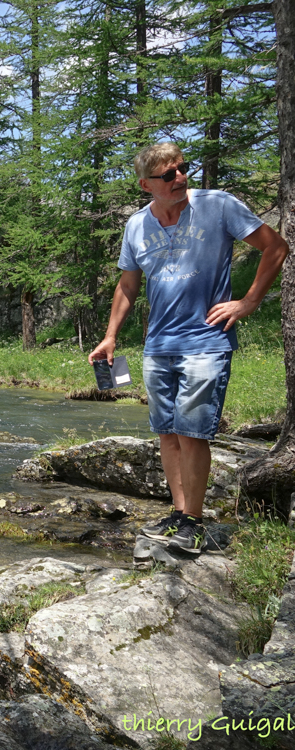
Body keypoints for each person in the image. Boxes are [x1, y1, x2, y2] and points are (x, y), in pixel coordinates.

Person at [88, 142, 289, 555]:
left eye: (183, 169)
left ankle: (194, 522)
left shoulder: (218, 205)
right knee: (168, 433)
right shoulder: (136, 226)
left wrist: (248, 301)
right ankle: (180, 514)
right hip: (158, 344)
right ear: (146, 185)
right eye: (168, 175)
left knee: (193, 433)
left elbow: (276, 247)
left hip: (206, 341)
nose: (180, 179)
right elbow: (128, 284)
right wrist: (111, 336)